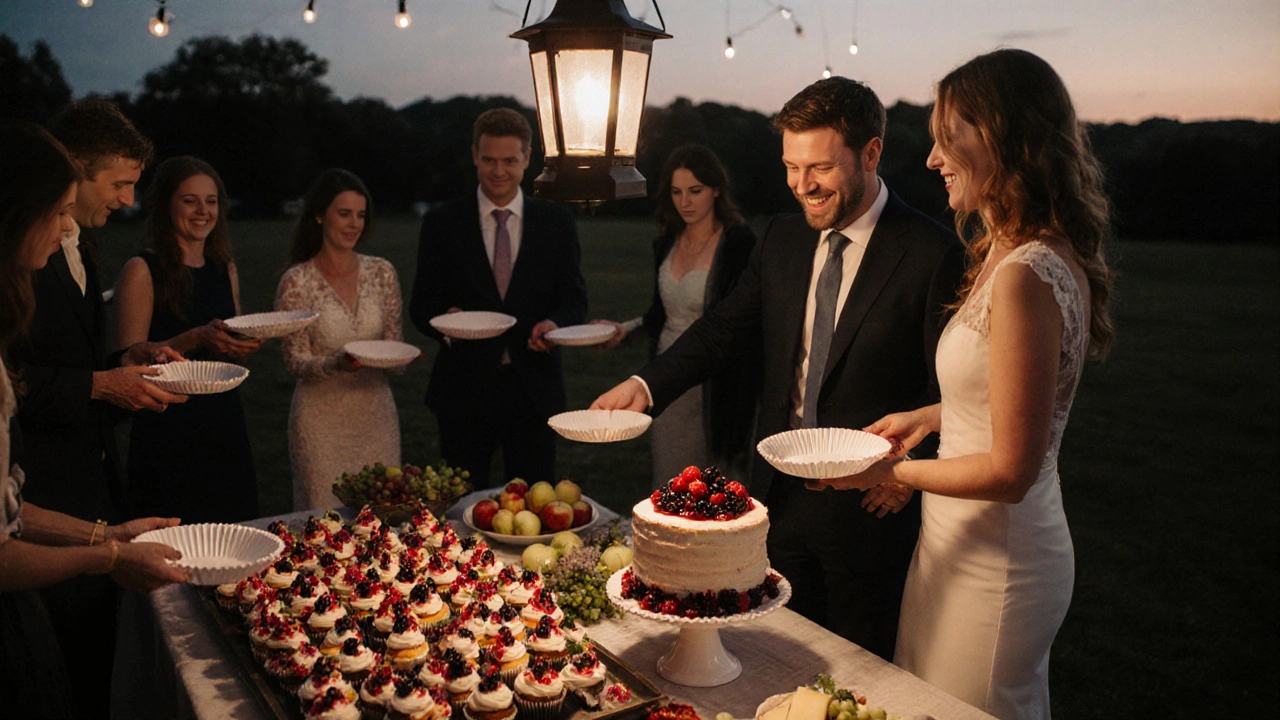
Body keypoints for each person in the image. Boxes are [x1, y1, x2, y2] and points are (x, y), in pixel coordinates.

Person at [592, 77, 965, 660]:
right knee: (769, 656)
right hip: (777, 500)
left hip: (869, 514)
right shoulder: (782, 239)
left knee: (857, 670)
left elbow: (956, 390)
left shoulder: (931, 251)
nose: (801, 185)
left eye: (818, 167)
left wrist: (910, 468)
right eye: (791, 166)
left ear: (871, 153)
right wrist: (645, 384)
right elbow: (721, 330)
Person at [816, 50, 1114, 718]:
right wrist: (929, 417)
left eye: (948, 139)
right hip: (960, 544)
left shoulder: (1026, 273)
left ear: (1005, 140)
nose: (931, 159)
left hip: (997, 565)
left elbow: (1011, 468)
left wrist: (889, 473)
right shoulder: (1014, 250)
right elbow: (1007, 397)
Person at [0, 119, 188, 720]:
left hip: (75, 490)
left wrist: (122, 365)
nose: (65, 227)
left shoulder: (84, 245)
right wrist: (108, 552)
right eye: (119, 183)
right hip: (44, 473)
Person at [410, 107, 587, 489]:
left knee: (534, 509)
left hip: (534, 391)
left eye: (509, 160)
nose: (498, 170)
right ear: (475, 154)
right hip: (463, 390)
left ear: (527, 158)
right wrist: (448, 324)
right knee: (457, 508)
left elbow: (574, 299)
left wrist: (554, 325)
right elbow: (421, 304)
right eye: (489, 160)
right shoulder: (442, 223)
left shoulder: (556, 222)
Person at [595, 144, 760, 486]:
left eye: (695, 191)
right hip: (667, 379)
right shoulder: (667, 242)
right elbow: (660, 313)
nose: (685, 202)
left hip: (720, 385)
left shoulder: (739, 244)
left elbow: (744, 325)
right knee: (672, 482)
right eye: (676, 192)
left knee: (717, 486)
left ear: (716, 189)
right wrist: (622, 331)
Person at [113, 156, 262, 524]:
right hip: (167, 431)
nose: (202, 211)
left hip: (224, 425)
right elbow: (128, 365)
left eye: (211, 201)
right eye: (190, 200)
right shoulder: (141, 269)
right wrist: (193, 337)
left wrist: (240, 347)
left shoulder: (224, 268)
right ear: (166, 205)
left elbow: (233, 359)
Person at [275, 169, 404, 510]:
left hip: (376, 417)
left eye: (360, 215)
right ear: (319, 215)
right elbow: (294, 361)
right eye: (344, 213)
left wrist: (401, 359)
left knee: (382, 521)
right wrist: (335, 363)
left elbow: (395, 346)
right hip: (320, 424)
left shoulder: (382, 272)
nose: (354, 224)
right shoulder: (297, 282)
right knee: (325, 525)